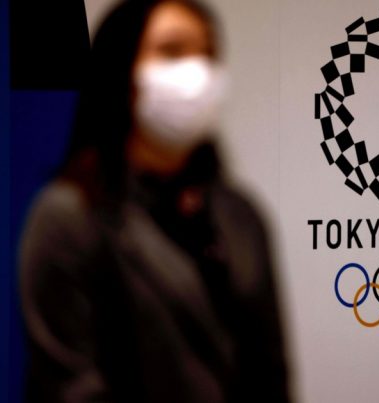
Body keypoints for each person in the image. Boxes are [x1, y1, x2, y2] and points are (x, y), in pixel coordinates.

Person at [18, 1, 290, 401]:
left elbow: (272, 373)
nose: (196, 72)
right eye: (172, 52)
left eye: (208, 54)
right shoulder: (70, 215)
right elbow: (70, 387)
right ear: (122, 70)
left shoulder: (240, 214)